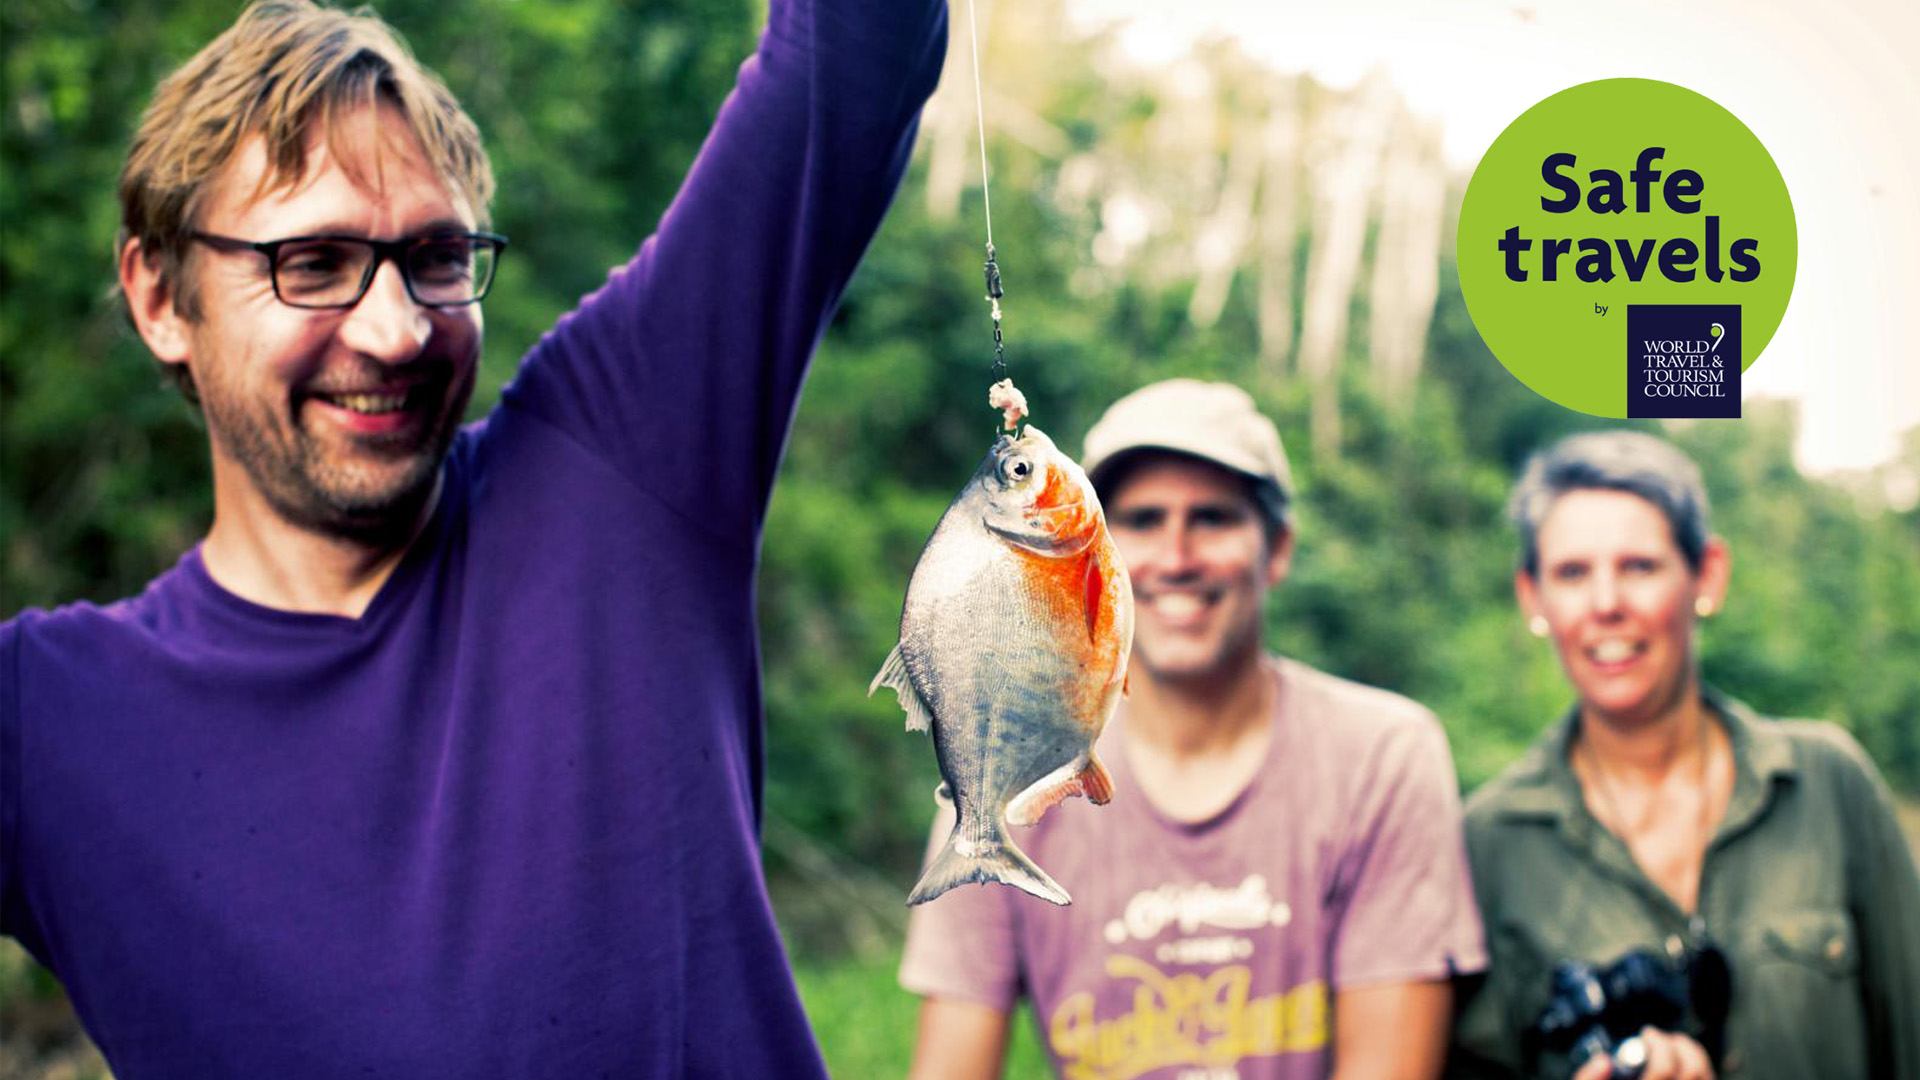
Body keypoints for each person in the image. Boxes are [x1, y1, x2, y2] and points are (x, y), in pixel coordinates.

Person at [0, 0, 944, 1074]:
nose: (396, 330)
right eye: (311, 263)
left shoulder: (615, 468)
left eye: (438, 257)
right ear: (159, 295)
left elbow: (858, 51)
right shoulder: (48, 717)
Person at [899, 378, 1487, 1080]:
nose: (1176, 557)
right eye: (1143, 521)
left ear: (1278, 548)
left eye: (1211, 518)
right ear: (1096, 554)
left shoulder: (1383, 757)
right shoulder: (1006, 783)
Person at [1449, 431, 1920, 1080]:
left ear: (1708, 575)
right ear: (1533, 598)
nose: (1606, 604)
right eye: (1572, 573)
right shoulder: (1488, 840)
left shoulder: (1826, 783)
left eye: (1640, 566)